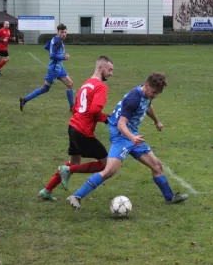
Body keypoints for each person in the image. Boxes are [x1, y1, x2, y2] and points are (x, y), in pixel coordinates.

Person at [66, 72, 189, 210]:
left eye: (157, 94)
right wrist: (132, 138)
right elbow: (121, 124)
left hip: (132, 136)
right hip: (121, 136)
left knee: (157, 166)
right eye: (154, 92)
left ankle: (170, 198)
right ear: (147, 86)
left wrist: (156, 121)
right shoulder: (133, 99)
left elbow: (148, 106)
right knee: (109, 171)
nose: (154, 96)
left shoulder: (146, 94)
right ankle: (76, 196)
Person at [38, 56, 114, 201]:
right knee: (105, 165)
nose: (111, 73)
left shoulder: (86, 84)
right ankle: (68, 171)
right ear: (100, 68)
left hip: (73, 126)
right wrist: (107, 120)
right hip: (83, 130)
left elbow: (75, 108)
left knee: (74, 161)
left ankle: (47, 190)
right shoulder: (100, 86)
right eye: (109, 70)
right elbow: (94, 111)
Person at [19, 23, 74, 112]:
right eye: (62, 32)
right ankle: (24, 100)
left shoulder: (54, 38)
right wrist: (63, 57)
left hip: (59, 68)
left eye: (65, 32)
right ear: (58, 32)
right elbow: (52, 56)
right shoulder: (58, 41)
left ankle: (72, 107)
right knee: (45, 88)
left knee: (70, 84)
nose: (64, 34)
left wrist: (56, 54)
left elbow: (46, 47)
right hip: (54, 69)